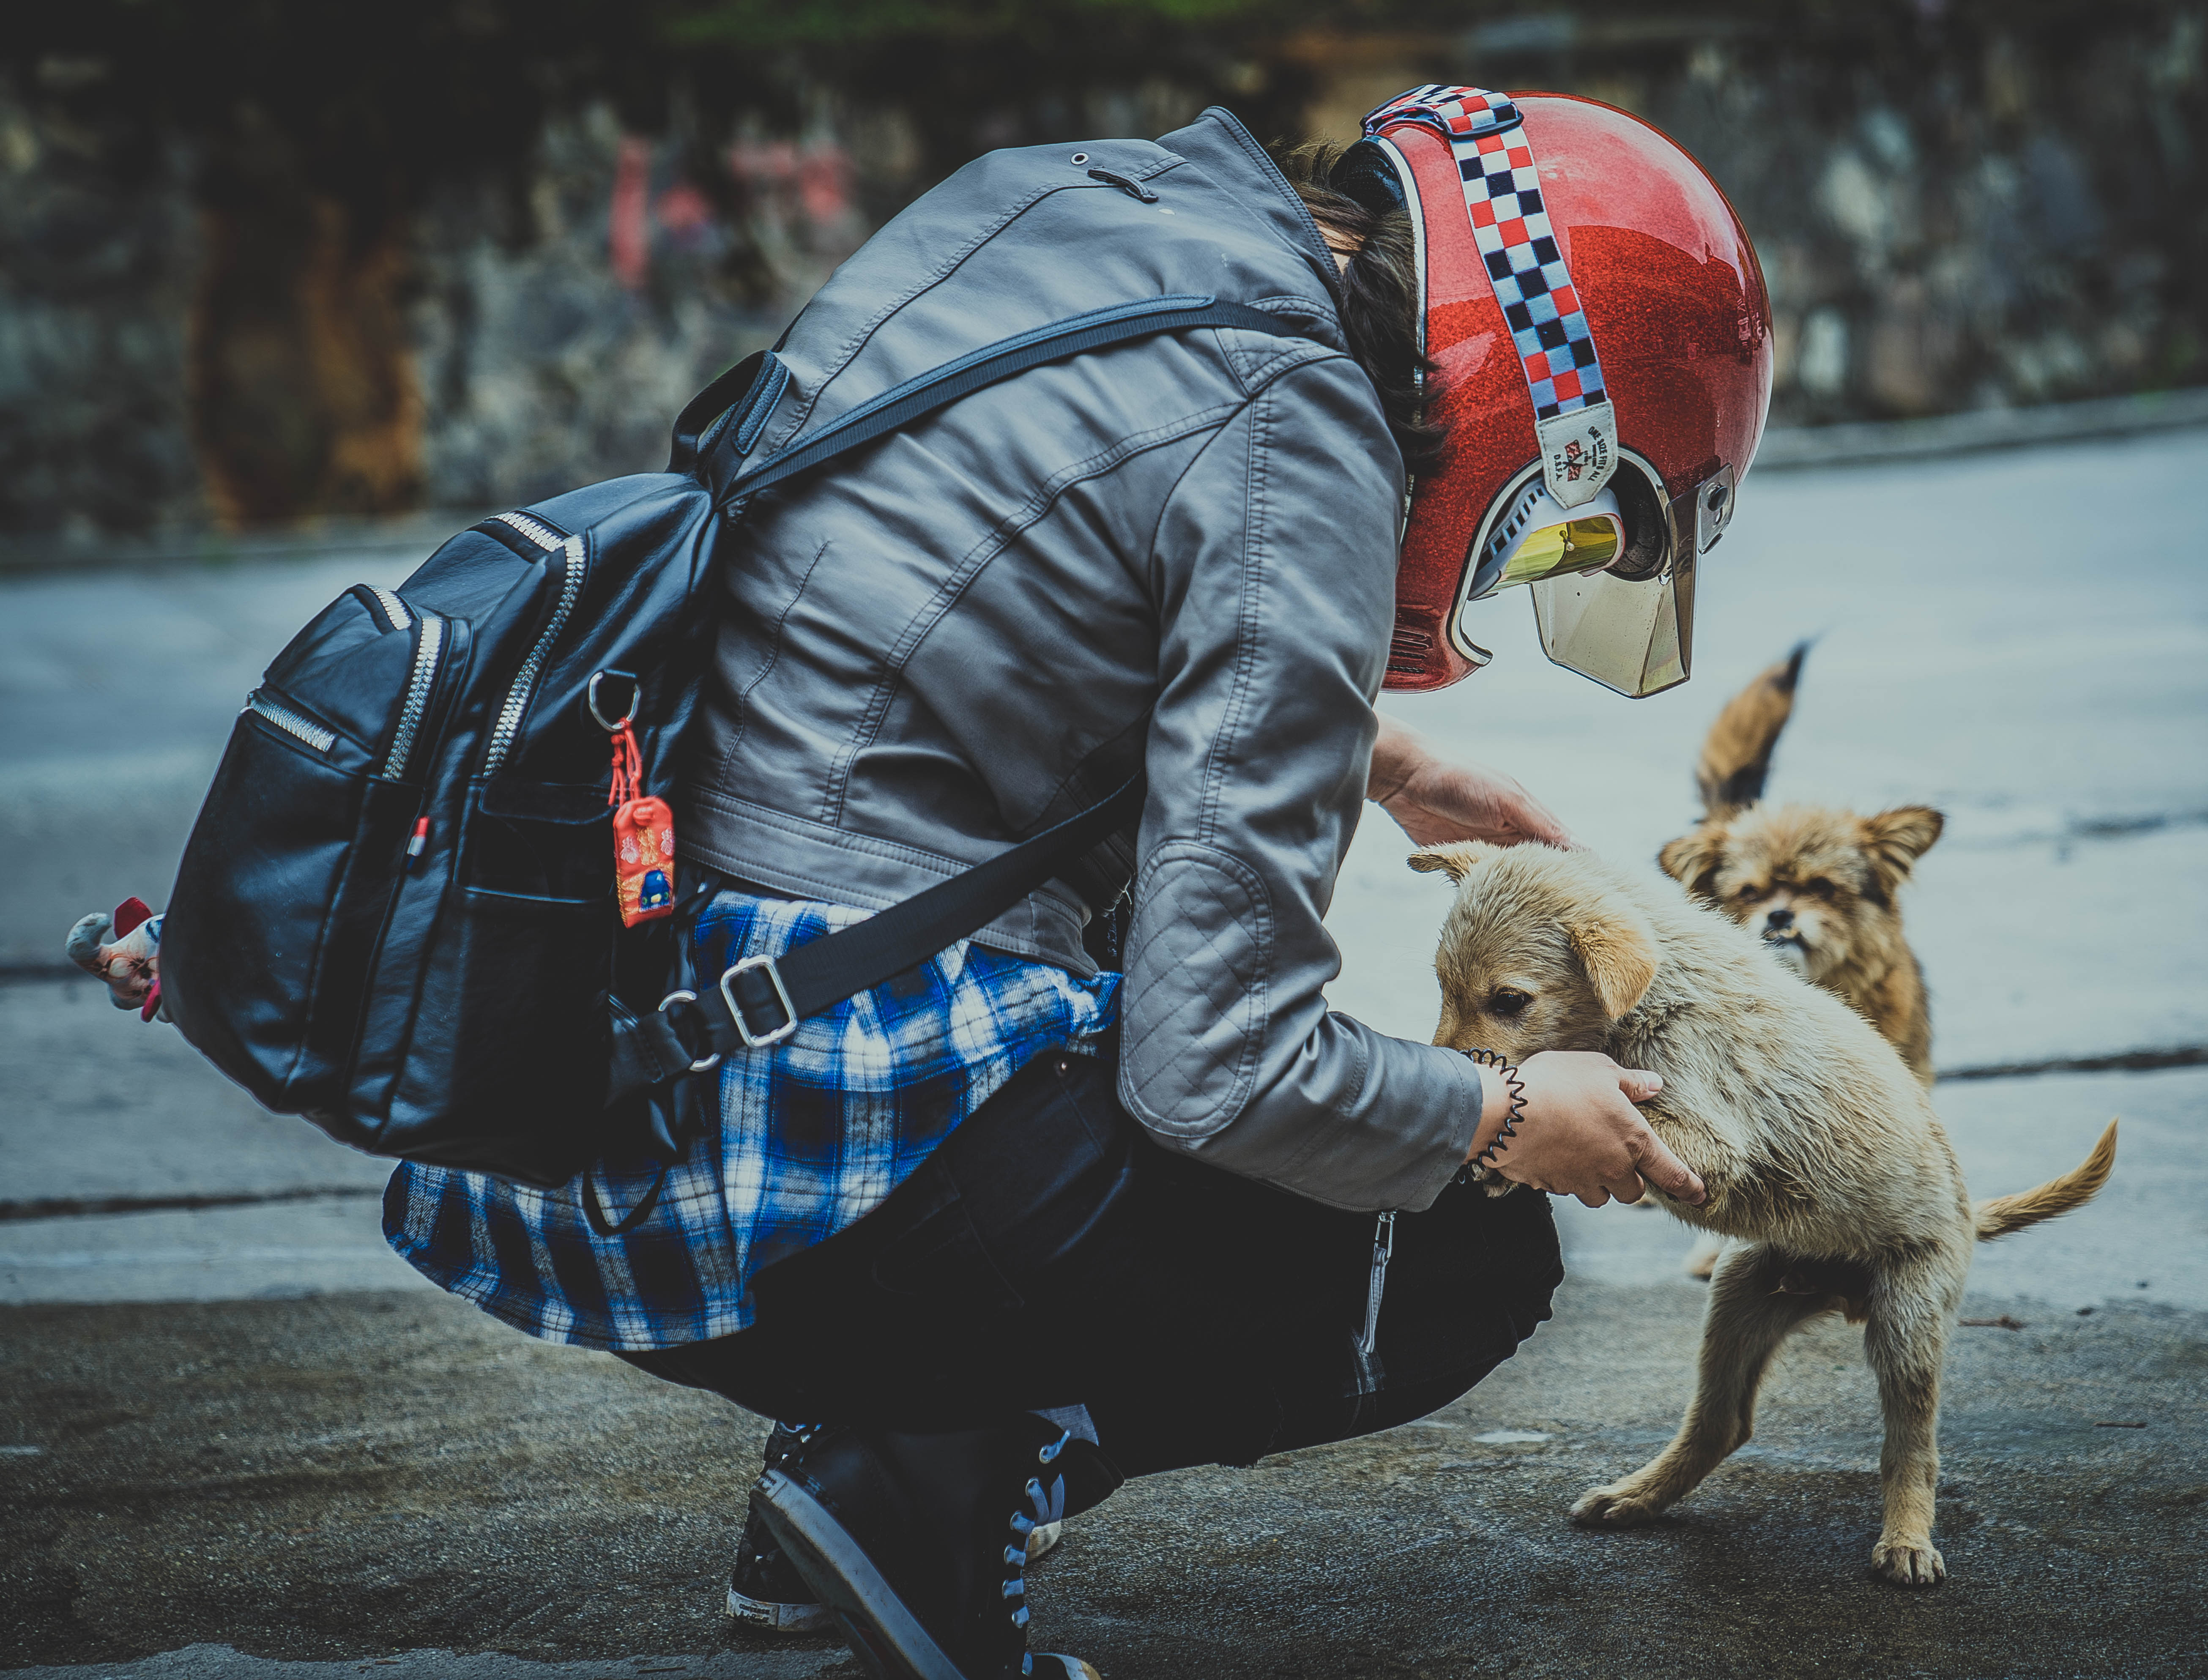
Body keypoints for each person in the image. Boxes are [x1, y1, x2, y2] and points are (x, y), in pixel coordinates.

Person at [96, 85, 1767, 1680]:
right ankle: (922, 1479)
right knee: (1467, 1249)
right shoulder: (1308, 434)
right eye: (1558, 536)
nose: (1525, 566)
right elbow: (1228, 1065)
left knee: (1151, 1002)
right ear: (1517, 398)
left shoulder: (1091, 201)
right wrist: (1502, 1112)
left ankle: (868, 1463)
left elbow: (950, 605)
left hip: (614, 1033)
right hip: (808, 1116)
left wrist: (1379, 758)